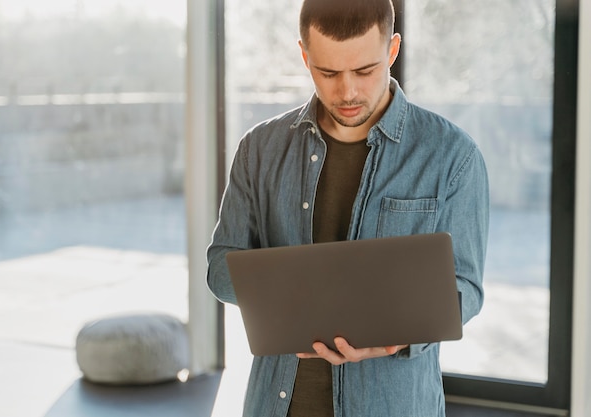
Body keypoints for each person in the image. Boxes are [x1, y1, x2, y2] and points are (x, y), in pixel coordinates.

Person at [207, 0, 489, 415]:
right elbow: (219, 267)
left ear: (392, 51)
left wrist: (397, 334)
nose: (348, 91)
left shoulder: (452, 156)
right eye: (328, 72)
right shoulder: (259, 150)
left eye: (364, 70)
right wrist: (293, 291)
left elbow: (465, 289)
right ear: (305, 55)